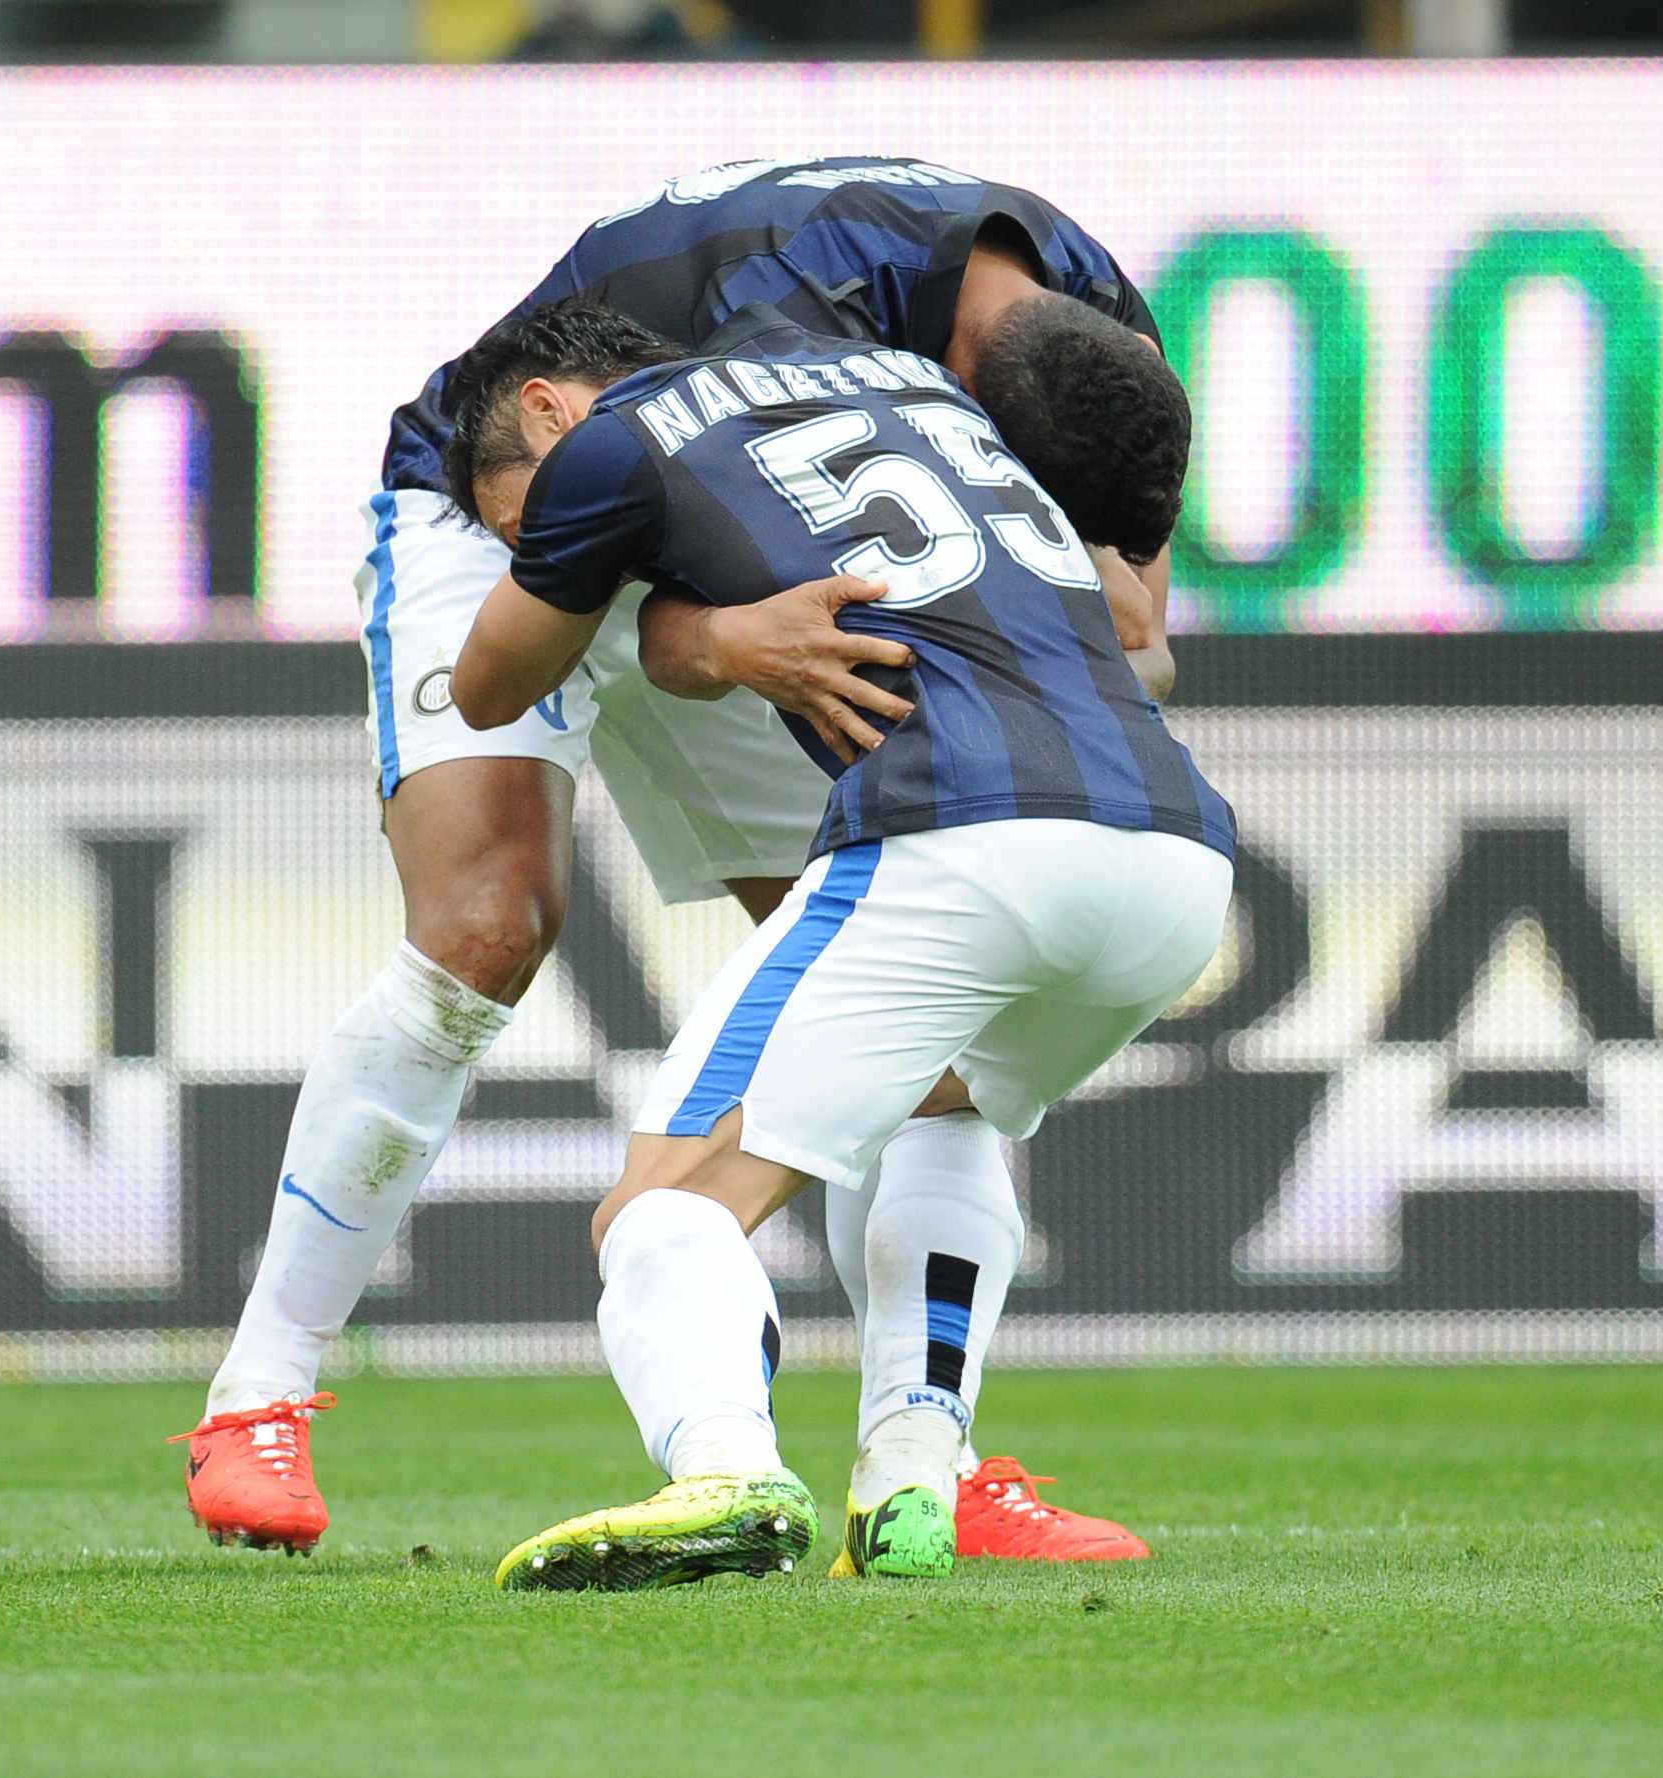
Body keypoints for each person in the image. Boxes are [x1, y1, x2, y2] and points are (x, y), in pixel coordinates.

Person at [174, 157, 1189, 1561]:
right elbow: (574, 597)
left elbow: (1133, 628)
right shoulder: (769, 309)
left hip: (755, 566)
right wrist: (716, 635)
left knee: (921, 1031)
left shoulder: (1098, 346)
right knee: (487, 921)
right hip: (534, 504)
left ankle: (925, 1467)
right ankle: (258, 1395)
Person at [439, 298, 1232, 1587]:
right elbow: (1134, 636)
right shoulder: (922, 392)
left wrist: (601, 583)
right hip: (1176, 857)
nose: (531, 539)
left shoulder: (616, 437)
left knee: (664, 1208)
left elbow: (489, 686)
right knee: (942, 1112)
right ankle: (911, 1480)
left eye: (513, 518)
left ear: (546, 407)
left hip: (959, 834)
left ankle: (726, 1473)